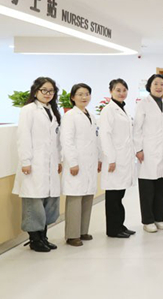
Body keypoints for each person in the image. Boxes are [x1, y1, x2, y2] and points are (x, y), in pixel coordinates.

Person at [13, 77, 62, 252]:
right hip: (34, 163)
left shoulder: (52, 111)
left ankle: (43, 237)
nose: (48, 94)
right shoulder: (28, 110)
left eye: (51, 91)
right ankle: (34, 239)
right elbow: (23, 136)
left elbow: (56, 140)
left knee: (48, 202)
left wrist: (59, 160)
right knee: (33, 203)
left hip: (49, 163)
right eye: (44, 90)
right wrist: (26, 161)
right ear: (36, 91)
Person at [60, 83, 101, 246]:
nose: (84, 97)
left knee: (87, 196)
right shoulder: (70, 116)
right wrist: (73, 162)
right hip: (76, 163)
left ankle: (83, 231)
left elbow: (95, 139)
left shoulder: (91, 115)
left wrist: (99, 159)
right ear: (73, 97)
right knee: (75, 198)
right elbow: (67, 140)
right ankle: (72, 235)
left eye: (87, 94)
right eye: (80, 94)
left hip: (89, 163)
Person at [134, 74, 163, 233]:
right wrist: (138, 149)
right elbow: (137, 128)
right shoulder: (143, 104)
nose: (159, 87)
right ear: (149, 86)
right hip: (148, 152)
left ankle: (159, 218)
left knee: (161, 188)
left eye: (162, 84)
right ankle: (148, 220)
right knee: (147, 189)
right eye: (155, 84)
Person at [99, 78, 136, 238]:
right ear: (111, 91)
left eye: (124, 90)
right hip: (114, 160)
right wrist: (111, 159)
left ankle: (120, 225)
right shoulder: (108, 110)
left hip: (123, 158)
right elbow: (105, 135)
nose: (121, 93)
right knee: (113, 197)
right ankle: (113, 230)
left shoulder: (122, 109)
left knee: (119, 195)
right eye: (118, 90)